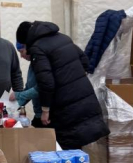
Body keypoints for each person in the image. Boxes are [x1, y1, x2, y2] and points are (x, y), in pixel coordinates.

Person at [16, 21, 109, 149]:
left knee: (64, 150)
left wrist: (45, 111)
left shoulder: (38, 48)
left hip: (65, 105)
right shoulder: (63, 38)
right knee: (76, 150)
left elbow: (46, 83)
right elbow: (85, 63)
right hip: (83, 98)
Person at [9, 42, 45, 127]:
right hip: (38, 114)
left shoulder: (41, 63)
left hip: (47, 115)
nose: (21, 56)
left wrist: (18, 95)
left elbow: (41, 88)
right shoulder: (33, 63)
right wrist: (12, 107)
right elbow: (29, 87)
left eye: (21, 51)